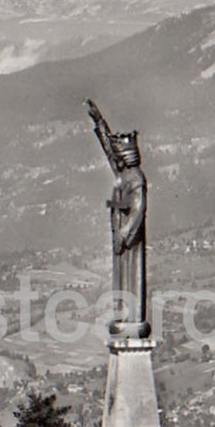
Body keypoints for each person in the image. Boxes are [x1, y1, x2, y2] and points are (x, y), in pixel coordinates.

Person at [87, 99, 150, 338]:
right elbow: (107, 151)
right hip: (120, 238)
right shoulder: (124, 175)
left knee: (131, 277)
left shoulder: (136, 178)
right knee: (122, 279)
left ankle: (131, 319)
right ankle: (124, 315)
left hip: (129, 241)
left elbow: (139, 209)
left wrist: (124, 235)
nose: (116, 158)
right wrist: (99, 122)